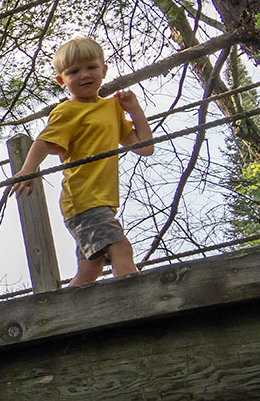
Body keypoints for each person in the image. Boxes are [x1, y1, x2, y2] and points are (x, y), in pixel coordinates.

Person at [10, 36, 154, 285]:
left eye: (91, 67)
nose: (84, 75)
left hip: (102, 201)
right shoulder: (67, 111)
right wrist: (28, 170)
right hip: (83, 199)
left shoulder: (112, 109)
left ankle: (64, 313)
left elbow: (145, 147)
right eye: (73, 71)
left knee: (92, 267)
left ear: (104, 70)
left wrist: (135, 110)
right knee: (120, 248)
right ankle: (136, 296)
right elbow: (44, 142)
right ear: (61, 81)